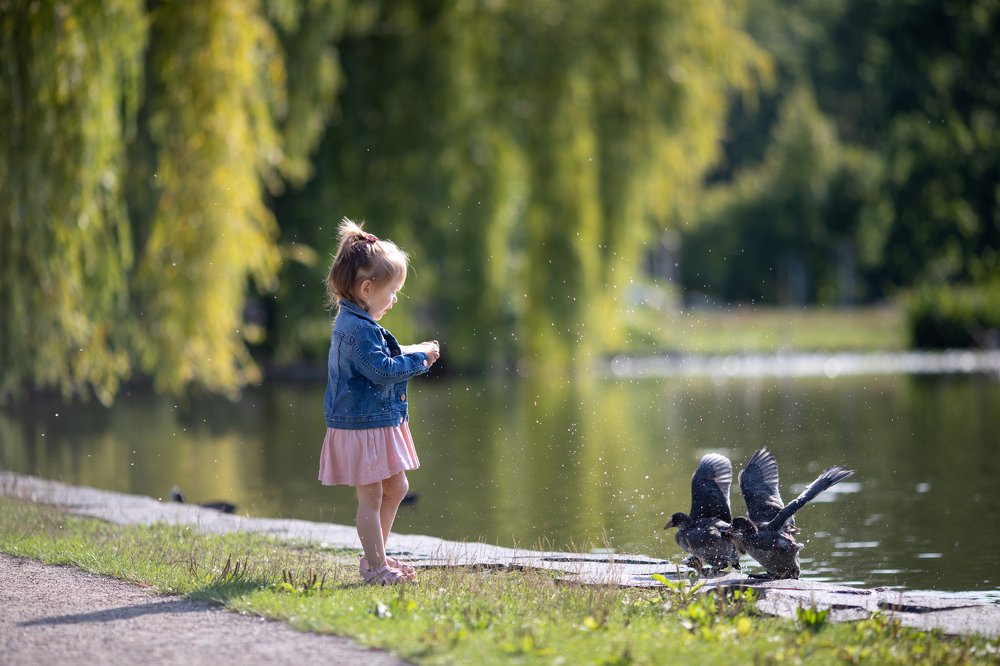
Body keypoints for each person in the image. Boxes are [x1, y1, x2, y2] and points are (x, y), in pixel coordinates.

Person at [318, 218, 440, 586]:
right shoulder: (354, 329)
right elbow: (382, 369)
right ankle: (374, 568)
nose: (395, 298)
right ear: (367, 288)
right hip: (360, 424)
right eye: (392, 291)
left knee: (397, 488)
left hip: (374, 421)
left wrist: (415, 348)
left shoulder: (360, 322)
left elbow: (384, 354)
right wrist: (420, 360)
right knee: (371, 496)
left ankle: (376, 557)